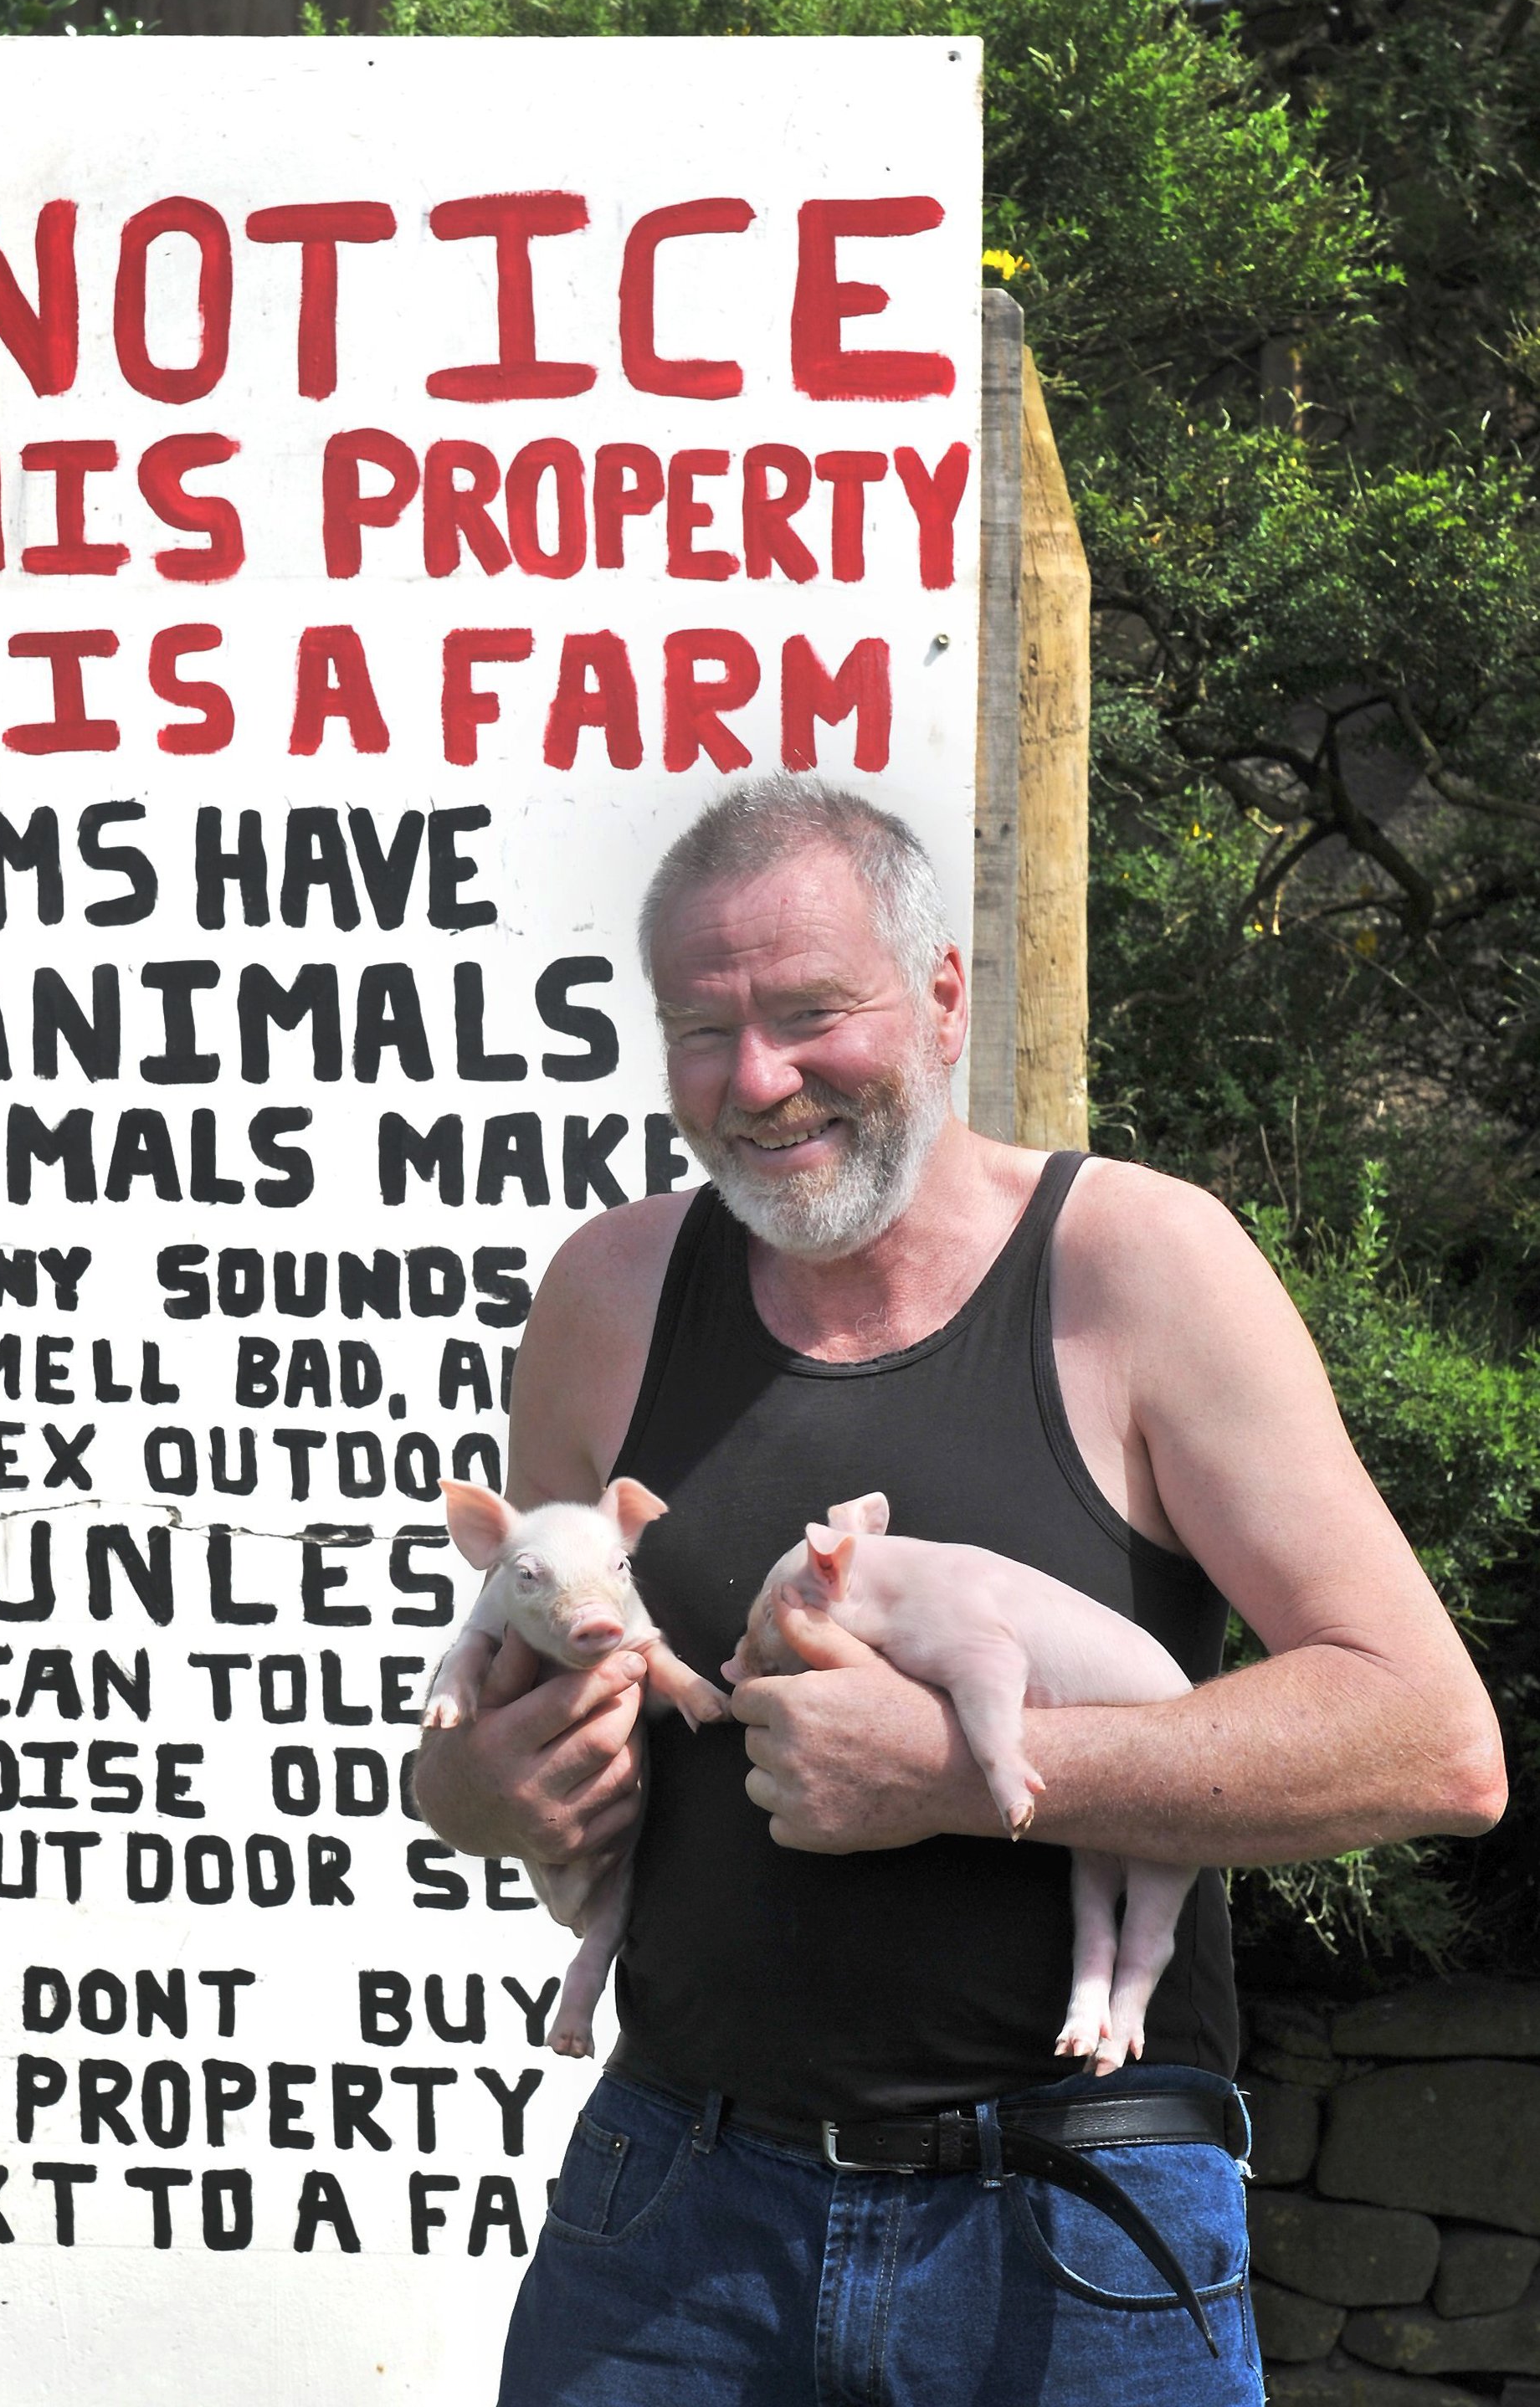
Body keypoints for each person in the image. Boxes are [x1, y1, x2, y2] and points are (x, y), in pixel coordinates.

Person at [412, 776, 1506, 2407]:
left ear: (939, 996)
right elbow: (505, 1720)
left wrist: (962, 1776)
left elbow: (1432, 1738)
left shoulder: (1139, 1267)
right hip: (675, 2203)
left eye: (807, 1012)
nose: (757, 1079)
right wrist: (478, 1789)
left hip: (1070, 2209)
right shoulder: (606, 1296)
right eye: (701, 1030)